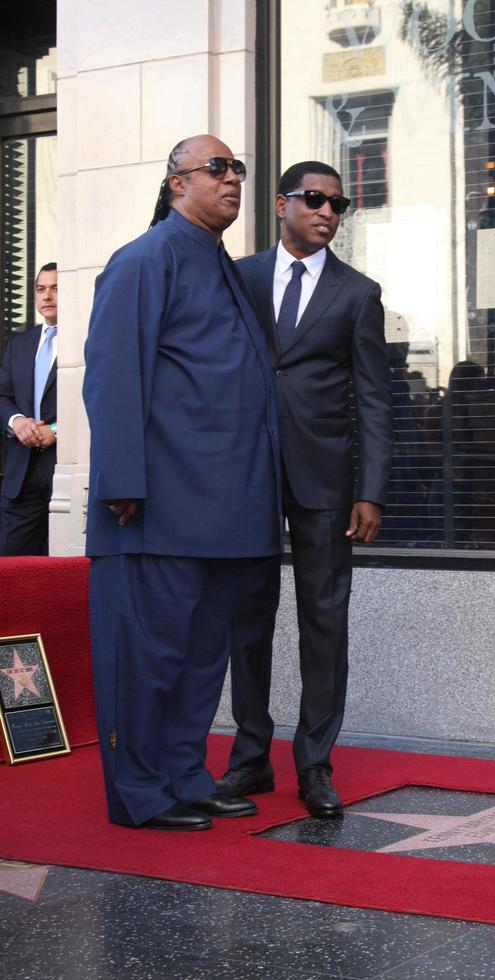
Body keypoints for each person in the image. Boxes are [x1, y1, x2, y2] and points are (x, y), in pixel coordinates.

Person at [83, 134, 282, 831]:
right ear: (176, 183)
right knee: (148, 658)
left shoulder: (218, 262)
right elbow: (112, 375)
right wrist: (120, 482)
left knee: (201, 660)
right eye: (217, 169)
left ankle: (184, 775)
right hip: (156, 507)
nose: (233, 180)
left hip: (227, 508)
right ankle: (141, 793)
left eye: (238, 170)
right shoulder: (145, 259)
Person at [215, 161, 393, 818]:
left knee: (325, 620)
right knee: (247, 620)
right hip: (246, 474)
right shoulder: (240, 277)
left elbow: (375, 399)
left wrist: (369, 490)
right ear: (282, 203)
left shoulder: (357, 292)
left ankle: (315, 763)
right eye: (315, 199)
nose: (327, 212)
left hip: (325, 479)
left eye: (338, 204)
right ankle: (250, 758)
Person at [0, 263, 58, 556]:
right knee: (11, 569)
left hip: (61, 469)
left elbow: (90, 405)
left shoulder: (86, 341)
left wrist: (57, 430)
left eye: (55, 287)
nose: (47, 296)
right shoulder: (20, 343)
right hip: (21, 471)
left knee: (63, 566)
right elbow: (2, 396)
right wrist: (17, 420)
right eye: (41, 289)